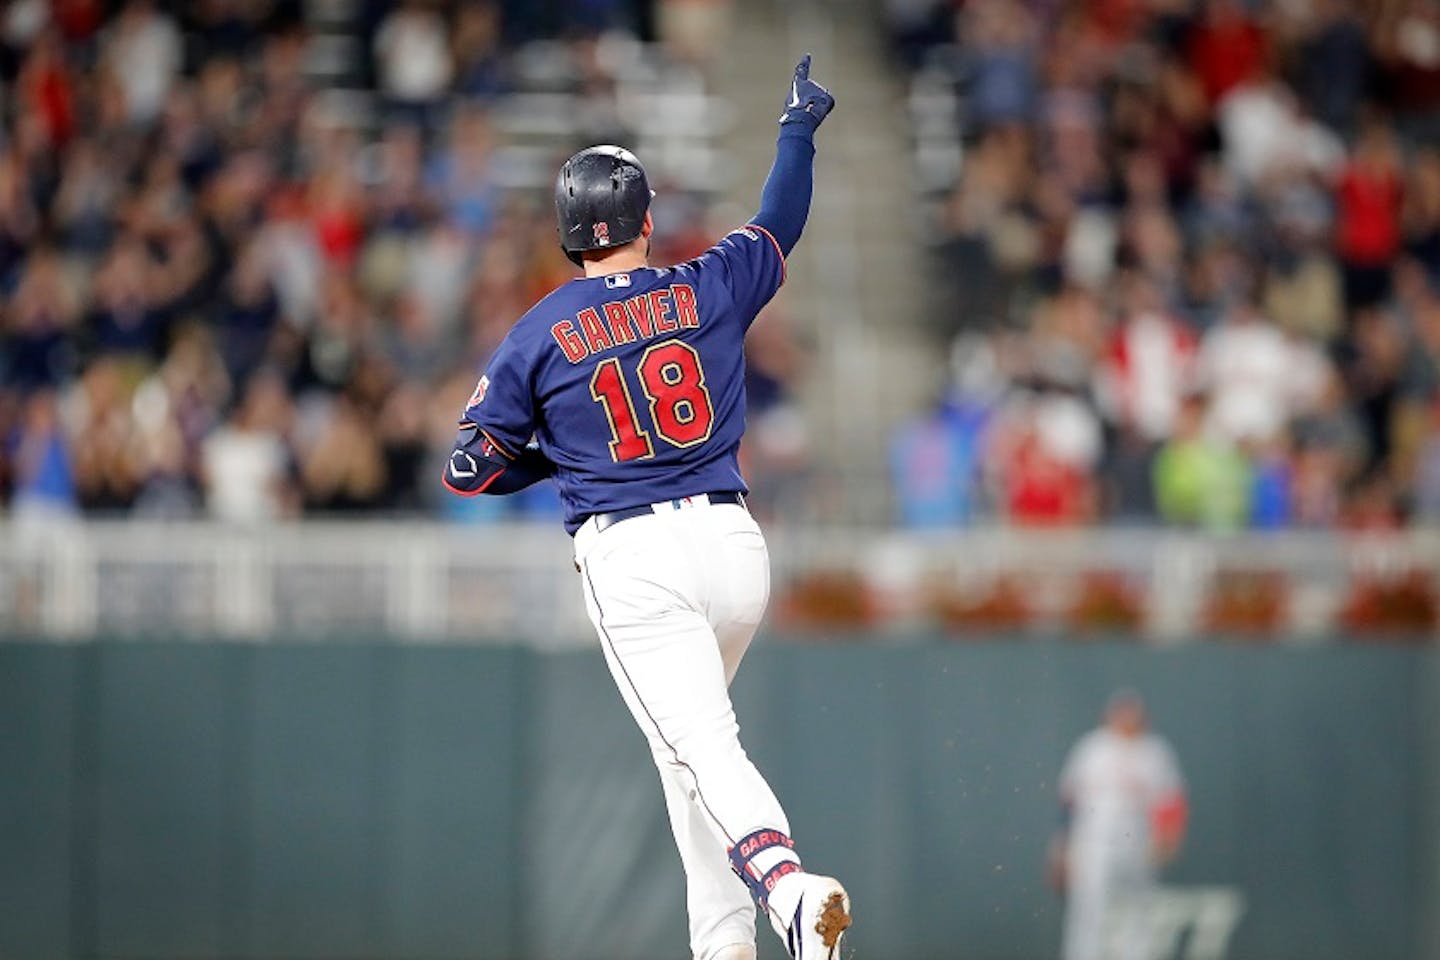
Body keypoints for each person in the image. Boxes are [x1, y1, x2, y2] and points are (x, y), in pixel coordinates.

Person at [441, 56, 848, 960]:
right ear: (646, 222)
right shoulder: (701, 285)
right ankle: (724, 945)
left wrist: (562, 455)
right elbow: (779, 221)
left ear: (566, 235)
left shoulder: (540, 330)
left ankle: (788, 891)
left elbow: (470, 468)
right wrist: (796, 128)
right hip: (736, 549)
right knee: (686, 754)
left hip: (637, 563)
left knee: (702, 745)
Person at [1049, 690, 1188, 960]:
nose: (1125, 720)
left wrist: (1168, 838)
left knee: (1140, 907)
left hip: (1137, 840)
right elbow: (1068, 803)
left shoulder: (1154, 751)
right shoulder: (1092, 748)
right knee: (1088, 908)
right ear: (1109, 716)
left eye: (1131, 715)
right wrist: (1061, 848)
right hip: (1092, 841)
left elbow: (1171, 801)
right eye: (1120, 714)